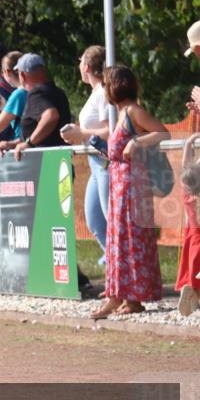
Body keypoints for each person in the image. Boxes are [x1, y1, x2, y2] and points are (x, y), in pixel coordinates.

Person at [92, 66, 169, 319]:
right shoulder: (121, 113)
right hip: (120, 186)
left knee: (129, 240)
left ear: (114, 86)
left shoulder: (133, 111)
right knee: (122, 241)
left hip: (132, 187)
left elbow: (162, 132)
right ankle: (127, 296)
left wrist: (137, 142)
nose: (103, 91)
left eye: (105, 85)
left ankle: (121, 296)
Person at [60, 46, 110, 264]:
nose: (79, 66)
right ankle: (116, 270)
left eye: (81, 62)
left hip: (106, 162)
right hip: (95, 164)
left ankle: (121, 279)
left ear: (87, 66)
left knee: (109, 220)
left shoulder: (104, 93)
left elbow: (111, 131)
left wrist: (80, 132)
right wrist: (77, 132)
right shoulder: (95, 94)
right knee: (95, 221)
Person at [177, 133, 200, 316]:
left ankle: (192, 294)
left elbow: (185, 166)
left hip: (191, 237)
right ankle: (193, 293)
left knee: (193, 270)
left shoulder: (187, 195)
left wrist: (189, 144)